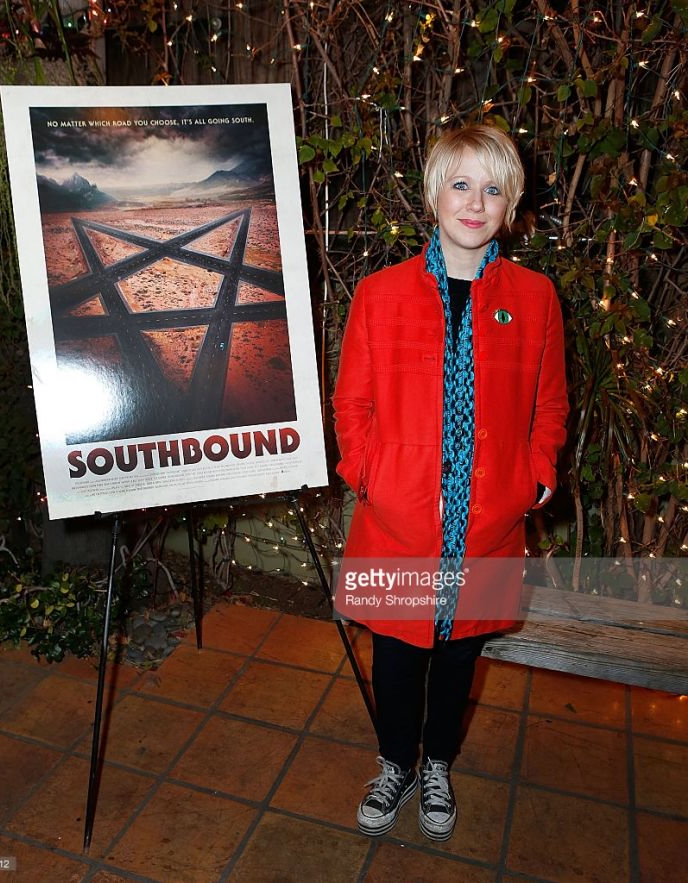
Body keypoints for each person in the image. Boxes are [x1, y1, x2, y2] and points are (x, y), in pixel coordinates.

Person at [333, 123, 568, 840]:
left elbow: (550, 403)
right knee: (398, 654)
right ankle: (395, 762)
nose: (475, 202)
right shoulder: (380, 294)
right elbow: (352, 403)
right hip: (399, 517)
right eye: (461, 185)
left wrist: (535, 474)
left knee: (461, 653)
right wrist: (370, 474)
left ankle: (437, 762)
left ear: (511, 204)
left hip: (489, 518)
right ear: (435, 193)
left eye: (493, 189)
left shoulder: (535, 297)